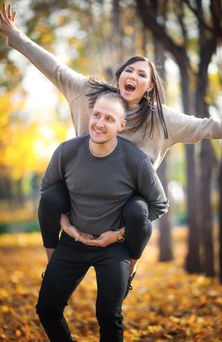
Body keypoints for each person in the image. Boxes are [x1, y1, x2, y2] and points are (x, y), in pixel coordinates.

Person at [1, 2, 222, 287]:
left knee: (139, 211)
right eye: (129, 70)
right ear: (120, 75)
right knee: (49, 198)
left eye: (141, 75)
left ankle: (129, 273)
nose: (133, 76)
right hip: (83, 191)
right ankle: (54, 267)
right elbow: (56, 69)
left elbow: (206, 126)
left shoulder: (162, 120)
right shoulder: (89, 94)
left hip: (125, 203)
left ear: (149, 87)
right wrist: (15, 35)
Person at [36, 91, 168, 342]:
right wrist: (68, 227)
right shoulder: (67, 152)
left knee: (109, 315)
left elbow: (159, 204)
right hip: (73, 241)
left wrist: (118, 235)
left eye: (109, 118)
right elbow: (47, 193)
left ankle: (127, 273)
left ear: (121, 125)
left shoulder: (135, 161)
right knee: (46, 309)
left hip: (113, 247)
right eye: (96, 115)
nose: (99, 123)